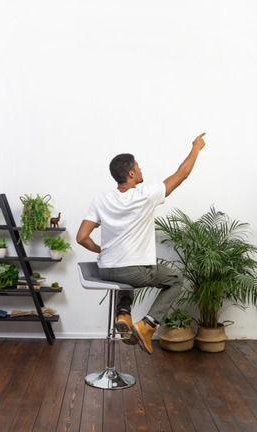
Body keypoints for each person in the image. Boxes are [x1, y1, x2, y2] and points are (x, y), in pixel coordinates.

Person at [76, 133, 206, 354]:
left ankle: (123, 314)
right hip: (133, 272)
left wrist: (101, 250)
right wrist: (196, 148)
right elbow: (182, 174)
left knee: (125, 269)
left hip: (106, 269)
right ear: (131, 173)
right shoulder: (145, 196)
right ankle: (148, 325)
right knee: (175, 279)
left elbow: (81, 237)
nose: (141, 169)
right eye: (138, 166)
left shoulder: (100, 200)